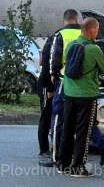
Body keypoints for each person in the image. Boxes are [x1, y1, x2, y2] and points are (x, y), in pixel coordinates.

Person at [56, 17, 104, 177]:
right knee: (82, 133)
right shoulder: (94, 49)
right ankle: (78, 167)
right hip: (87, 96)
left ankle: (63, 165)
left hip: (69, 93)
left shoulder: (71, 45)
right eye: (97, 31)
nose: (97, 33)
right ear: (92, 30)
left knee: (67, 129)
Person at [50, 9, 81, 163]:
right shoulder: (86, 33)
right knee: (77, 121)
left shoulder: (60, 35)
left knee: (59, 119)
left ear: (64, 20)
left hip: (64, 81)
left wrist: (53, 74)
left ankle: (57, 157)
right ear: (77, 19)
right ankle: (75, 156)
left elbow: (55, 58)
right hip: (82, 85)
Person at [37, 34, 56, 167]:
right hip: (46, 87)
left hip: (52, 86)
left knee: (52, 118)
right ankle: (43, 150)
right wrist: (49, 89)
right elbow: (45, 71)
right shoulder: (50, 46)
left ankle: (52, 147)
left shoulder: (53, 44)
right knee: (45, 117)